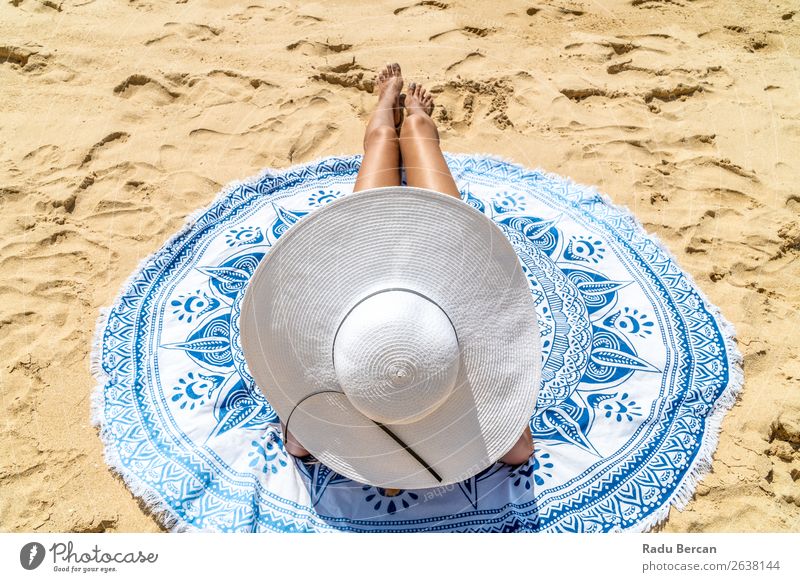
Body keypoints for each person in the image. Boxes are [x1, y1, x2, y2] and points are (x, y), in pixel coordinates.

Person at [280, 62, 535, 474]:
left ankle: (387, 110)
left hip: (361, 267)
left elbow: (298, 443)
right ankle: (414, 121)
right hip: (446, 265)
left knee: (382, 144)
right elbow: (519, 450)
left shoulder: (330, 407)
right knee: (418, 144)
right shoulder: (396, 375)